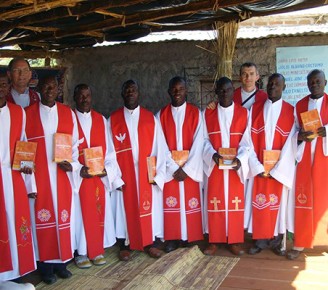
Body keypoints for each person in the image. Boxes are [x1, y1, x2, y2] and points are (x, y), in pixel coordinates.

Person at [25, 76, 80, 284]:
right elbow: (23, 151)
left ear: (59, 90)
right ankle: (45, 267)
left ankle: (62, 263)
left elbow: (75, 146)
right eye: (46, 86)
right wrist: (29, 183)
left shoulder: (68, 113)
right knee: (43, 221)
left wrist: (73, 166)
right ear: (39, 89)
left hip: (62, 177)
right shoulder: (27, 114)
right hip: (39, 179)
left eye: (53, 87)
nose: (50, 90)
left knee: (64, 220)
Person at [108, 80, 166, 261]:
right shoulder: (113, 119)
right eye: (127, 90)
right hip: (124, 174)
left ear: (139, 93)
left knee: (149, 209)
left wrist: (158, 175)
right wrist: (115, 178)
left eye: (134, 90)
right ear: (122, 94)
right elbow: (109, 152)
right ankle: (125, 244)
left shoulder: (151, 119)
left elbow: (161, 149)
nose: (131, 93)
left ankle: (151, 243)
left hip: (146, 175)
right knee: (125, 210)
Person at [245, 73, 296, 256]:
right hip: (259, 169)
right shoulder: (255, 109)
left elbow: (291, 143)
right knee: (259, 204)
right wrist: (257, 167)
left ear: (284, 87)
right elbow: (247, 141)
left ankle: (276, 242)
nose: (272, 87)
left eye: (277, 84)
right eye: (270, 84)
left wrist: (277, 170)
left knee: (277, 206)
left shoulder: (291, 111)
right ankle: (259, 241)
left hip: (279, 171)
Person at [73, 84, 123, 268]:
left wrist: (107, 170)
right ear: (74, 98)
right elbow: (67, 151)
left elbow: (110, 152)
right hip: (79, 179)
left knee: (98, 212)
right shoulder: (69, 119)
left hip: (97, 179)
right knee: (80, 216)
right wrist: (78, 169)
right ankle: (81, 252)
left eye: (88, 95)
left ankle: (97, 250)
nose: (85, 99)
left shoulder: (101, 120)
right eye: (81, 96)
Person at [203, 77, 249, 256]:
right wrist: (211, 154)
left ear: (233, 91)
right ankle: (214, 240)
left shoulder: (244, 113)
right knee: (215, 202)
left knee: (235, 203)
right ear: (216, 92)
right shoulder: (207, 114)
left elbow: (247, 142)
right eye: (221, 90)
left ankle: (235, 240)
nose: (224, 93)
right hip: (216, 166)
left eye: (228, 90)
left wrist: (241, 159)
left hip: (234, 168)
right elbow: (204, 140)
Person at [156, 77, 204, 253]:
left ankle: (190, 237)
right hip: (172, 172)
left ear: (186, 91)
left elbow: (200, 144)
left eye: (181, 89)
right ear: (169, 91)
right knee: (172, 203)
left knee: (189, 203)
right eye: (174, 89)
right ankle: (174, 238)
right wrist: (174, 168)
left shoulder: (196, 114)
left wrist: (188, 169)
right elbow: (159, 145)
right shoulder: (160, 116)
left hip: (189, 171)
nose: (177, 92)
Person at [287, 69, 328, 260]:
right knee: (302, 199)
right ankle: (300, 243)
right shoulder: (300, 105)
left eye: (318, 81)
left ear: (325, 82)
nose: (314, 84)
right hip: (304, 159)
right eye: (311, 82)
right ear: (307, 84)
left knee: (324, 201)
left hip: (324, 159)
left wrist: (326, 131)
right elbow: (292, 132)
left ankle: (324, 242)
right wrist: (299, 136)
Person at [0, 70, 36, 282]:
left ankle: (15, 270)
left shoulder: (18, 113)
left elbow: (23, 143)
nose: (1, 88)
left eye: (4, 84)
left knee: (14, 221)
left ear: (9, 86)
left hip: (12, 177)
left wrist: (26, 166)